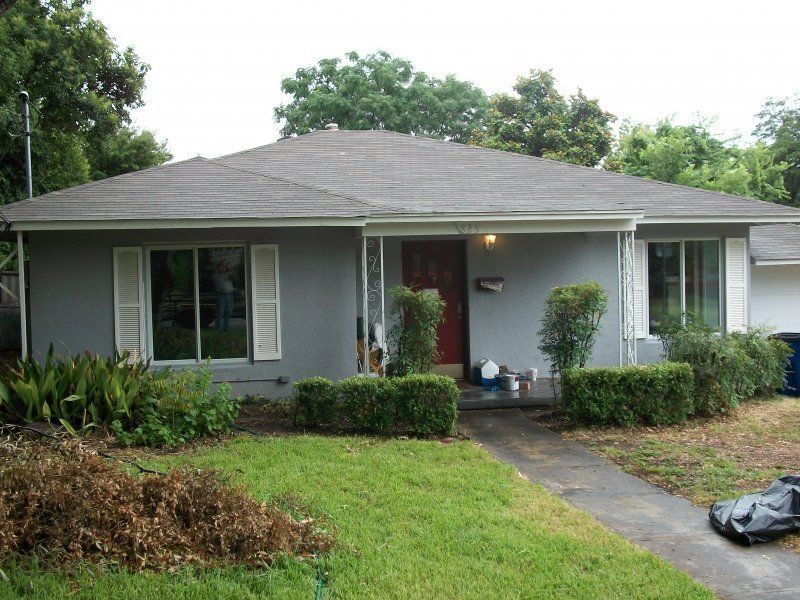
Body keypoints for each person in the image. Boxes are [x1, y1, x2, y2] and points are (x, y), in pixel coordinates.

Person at [213, 262, 235, 331]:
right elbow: (214, 278)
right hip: (220, 295)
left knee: (228, 312)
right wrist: (221, 272)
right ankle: (218, 328)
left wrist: (231, 270)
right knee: (220, 312)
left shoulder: (228, 274)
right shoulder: (216, 275)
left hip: (229, 295)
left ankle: (226, 328)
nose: (223, 268)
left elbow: (235, 277)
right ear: (218, 267)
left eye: (224, 267)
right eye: (222, 266)